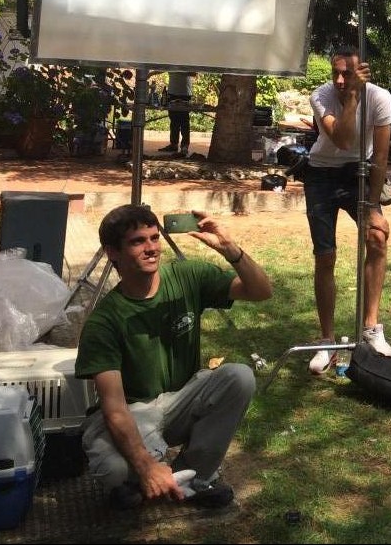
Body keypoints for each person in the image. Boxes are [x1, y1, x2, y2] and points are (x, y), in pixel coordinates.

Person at [74, 205, 272, 511]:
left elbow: (261, 291)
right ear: (112, 252)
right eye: (137, 241)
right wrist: (145, 466)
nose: (151, 248)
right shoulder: (103, 322)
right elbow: (115, 409)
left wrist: (230, 249)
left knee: (239, 377)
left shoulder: (187, 276)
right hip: (133, 411)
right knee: (115, 471)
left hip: (182, 399)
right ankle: (142, 479)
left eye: (154, 238)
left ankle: (195, 478)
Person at [304, 45, 391, 374]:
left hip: (359, 172)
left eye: (347, 74)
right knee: (325, 255)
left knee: (377, 238)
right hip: (321, 174)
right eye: (336, 73)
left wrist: (372, 207)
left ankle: (371, 329)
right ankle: (327, 341)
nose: (340, 80)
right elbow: (342, 140)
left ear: (362, 72)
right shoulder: (321, 96)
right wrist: (353, 98)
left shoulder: (380, 98)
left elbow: (381, 157)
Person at [159, 71, 196, 157]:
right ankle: (173, 144)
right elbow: (163, 68)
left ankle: (184, 146)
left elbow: (194, 73)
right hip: (172, 93)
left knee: (184, 121)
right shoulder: (170, 62)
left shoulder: (188, 63)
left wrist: (179, 69)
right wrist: (151, 73)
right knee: (173, 120)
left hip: (184, 93)